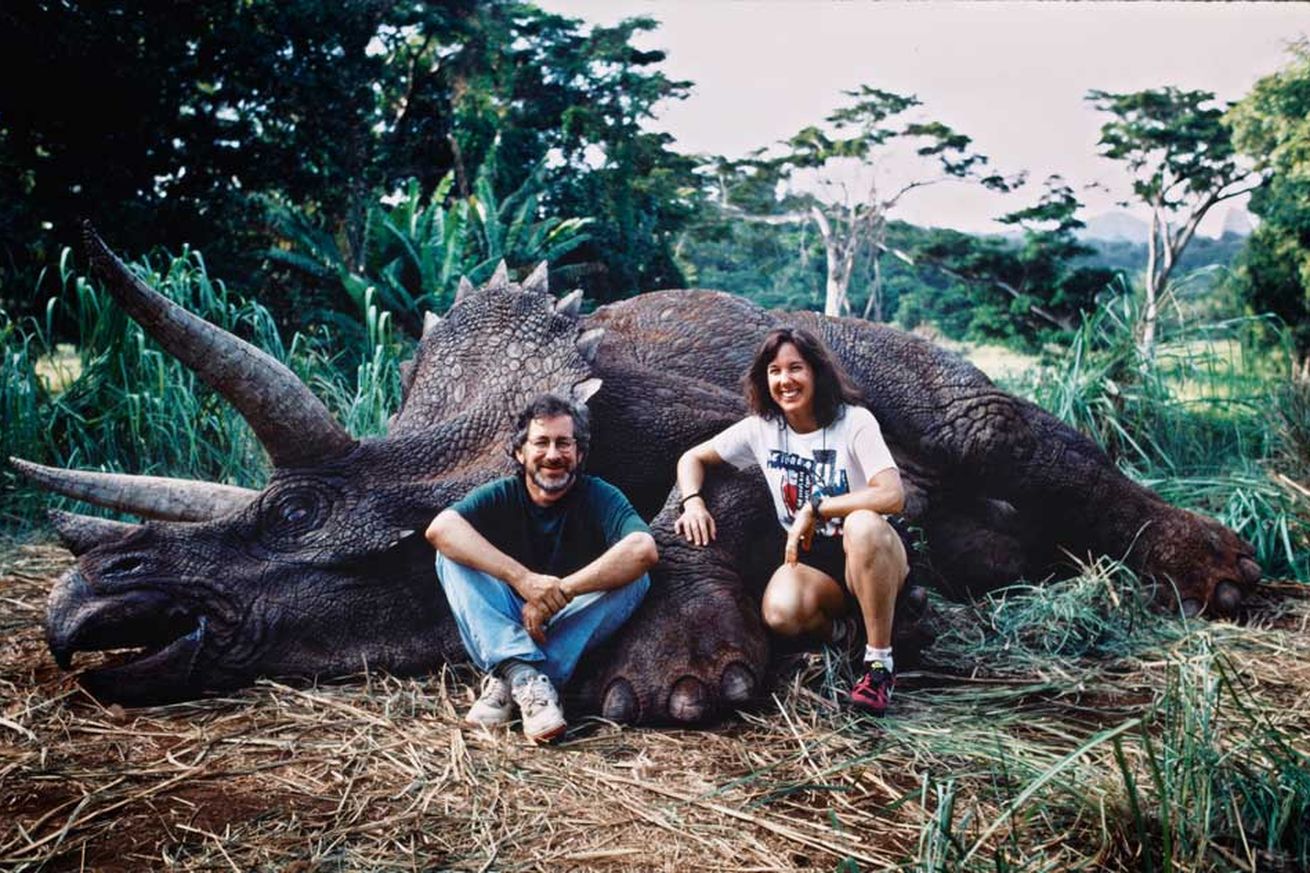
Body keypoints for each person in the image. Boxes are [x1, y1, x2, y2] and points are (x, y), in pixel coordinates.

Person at [674, 327, 909, 716]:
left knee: (862, 524)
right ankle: (851, 636)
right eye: (774, 371)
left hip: (871, 550)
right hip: (812, 560)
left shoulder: (854, 422)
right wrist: (693, 502)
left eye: (795, 368)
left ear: (817, 372)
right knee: (780, 612)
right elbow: (691, 459)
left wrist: (816, 509)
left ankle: (879, 664)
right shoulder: (762, 429)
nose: (785, 380)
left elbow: (892, 495)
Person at [426, 394, 657, 742]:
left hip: (565, 622)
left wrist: (559, 593)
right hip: (505, 621)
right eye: (541, 443)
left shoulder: (599, 495)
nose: (553, 455)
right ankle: (526, 677)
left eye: (564, 443)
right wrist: (523, 580)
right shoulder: (502, 493)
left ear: (579, 453)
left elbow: (643, 549)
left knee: (636, 578)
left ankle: (511, 679)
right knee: (450, 556)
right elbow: (440, 529)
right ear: (520, 453)